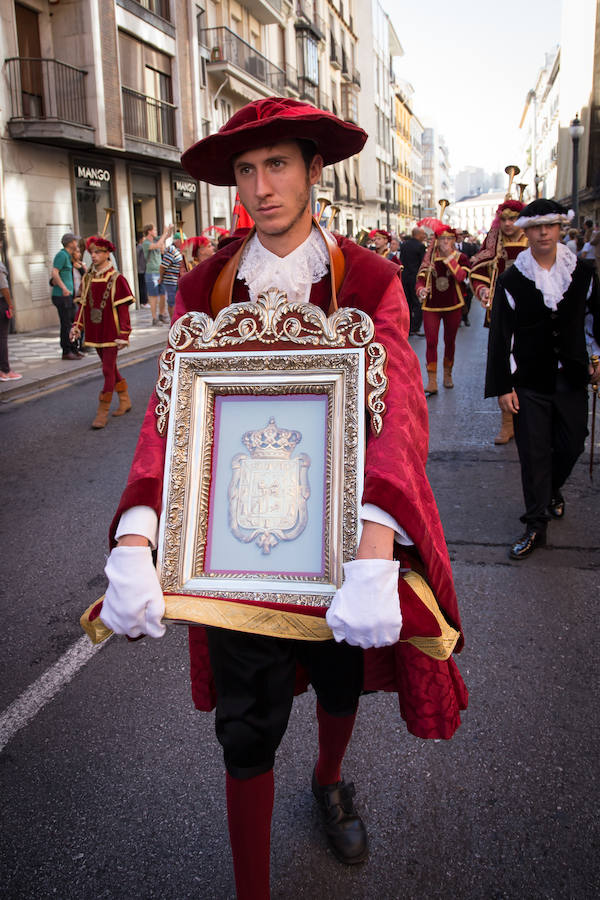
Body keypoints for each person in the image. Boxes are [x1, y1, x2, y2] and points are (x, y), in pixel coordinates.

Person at [98, 98, 467, 900]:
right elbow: (169, 415)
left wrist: (375, 552)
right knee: (246, 728)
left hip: (341, 550)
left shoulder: (370, 282)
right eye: (246, 170)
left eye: (277, 165)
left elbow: (400, 409)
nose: (261, 187)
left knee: (339, 685)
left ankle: (330, 779)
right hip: (233, 555)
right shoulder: (204, 288)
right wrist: (136, 533)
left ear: (313, 172)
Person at [485, 199, 600, 559]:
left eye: (551, 225)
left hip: (571, 377)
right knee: (533, 454)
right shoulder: (511, 279)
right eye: (537, 226)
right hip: (530, 382)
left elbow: (593, 319)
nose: (544, 233)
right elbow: (501, 336)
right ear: (527, 231)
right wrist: (503, 386)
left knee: (573, 443)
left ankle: (550, 490)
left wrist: (596, 355)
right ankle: (535, 524)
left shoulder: (581, 273)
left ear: (561, 228)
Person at [470, 199, 528, 444]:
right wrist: (483, 291)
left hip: (531, 313)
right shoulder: (494, 243)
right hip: (501, 311)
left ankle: (528, 420)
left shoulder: (532, 240)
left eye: (512, 218)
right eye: (503, 219)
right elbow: (479, 272)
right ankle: (507, 423)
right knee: (502, 363)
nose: (507, 223)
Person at [70, 235, 134, 429]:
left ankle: (102, 412)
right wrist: (76, 326)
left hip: (111, 332)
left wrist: (124, 334)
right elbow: (82, 307)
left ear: (108, 254)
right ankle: (125, 400)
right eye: (92, 252)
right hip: (94, 331)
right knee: (111, 368)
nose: (94, 256)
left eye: (98, 252)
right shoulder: (88, 277)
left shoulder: (117, 279)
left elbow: (123, 312)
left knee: (107, 369)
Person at [416, 225, 471, 393]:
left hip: (453, 304)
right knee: (431, 342)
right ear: (437, 241)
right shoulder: (429, 259)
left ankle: (448, 374)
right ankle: (432, 380)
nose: (445, 242)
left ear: (454, 240)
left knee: (449, 341)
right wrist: (421, 290)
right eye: (442, 239)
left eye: (449, 239)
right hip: (431, 305)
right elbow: (420, 280)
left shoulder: (461, 257)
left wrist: (448, 258)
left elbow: (462, 277)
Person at [51, 232, 82, 361]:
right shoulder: (62, 255)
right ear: (70, 243)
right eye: (75, 241)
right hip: (62, 296)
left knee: (72, 323)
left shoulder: (68, 256)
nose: (77, 243)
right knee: (66, 324)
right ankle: (66, 351)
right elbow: (54, 272)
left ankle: (74, 348)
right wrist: (63, 288)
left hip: (69, 295)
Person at [142, 223, 172, 325]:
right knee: (153, 296)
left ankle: (162, 314)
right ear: (149, 231)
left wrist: (169, 229)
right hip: (151, 273)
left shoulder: (156, 239)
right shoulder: (145, 243)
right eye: (154, 230)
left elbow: (168, 236)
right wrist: (164, 233)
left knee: (163, 295)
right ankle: (155, 318)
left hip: (160, 271)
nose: (155, 232)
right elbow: (159, 245)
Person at [0, 243, 21, 381]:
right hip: (1, 303)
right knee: (2, 337)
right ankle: (5, 370)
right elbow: (4, 288)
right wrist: (10, 305)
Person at [399, 226, 426, 336]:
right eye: (423, 234)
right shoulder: (420, 246)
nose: (424, 236)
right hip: (415, 278)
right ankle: (416, 327)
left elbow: (401, 260)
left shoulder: (404, 245)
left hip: (405, 277)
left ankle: (408, 327)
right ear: (418, 235)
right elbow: (423, 263)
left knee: (407, 303)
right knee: (417, 303)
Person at [159, 230, 189, 320]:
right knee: (172, 302)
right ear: (177, 241)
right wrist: (161, 278)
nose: (184, 242)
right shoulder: (172, 250)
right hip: (171, 280)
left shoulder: (180, 250)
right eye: (182, 240)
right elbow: (163, 266)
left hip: (178, 280)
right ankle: (173, 321)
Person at [136, 236, 149, 307]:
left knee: (143, 286)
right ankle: (144, 302)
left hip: (142, 269)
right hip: (141, 270)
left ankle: (144, 301)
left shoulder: (140, 248)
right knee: (142, 286)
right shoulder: (140, 247)